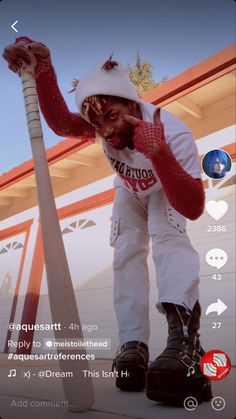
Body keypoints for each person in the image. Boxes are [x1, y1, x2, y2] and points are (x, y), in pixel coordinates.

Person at [3, 37, 212, 406]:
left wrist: (158, 151)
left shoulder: (174, 132)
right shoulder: (103, 123)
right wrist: (43, 71)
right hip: (129, 189)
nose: (107, 132)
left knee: (168, 237)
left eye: (113, 118)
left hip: (168, 180)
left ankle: (185, 342)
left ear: (133, 105)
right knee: (126, 252)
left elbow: (193, 206)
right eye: (97, 124)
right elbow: (63, 124)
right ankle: (133, 346)